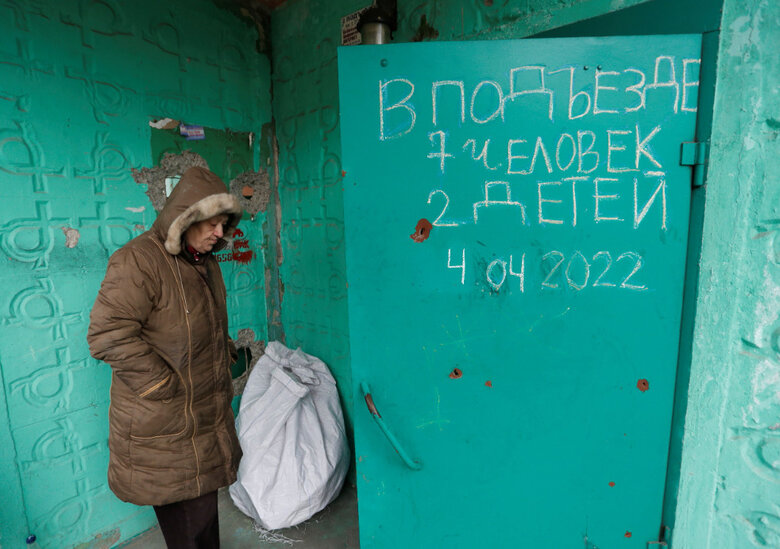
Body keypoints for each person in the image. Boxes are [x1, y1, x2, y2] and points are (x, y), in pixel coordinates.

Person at [87, 166, 244, 549]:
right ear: (184, 218)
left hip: (200, 416)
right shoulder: (138, 261)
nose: (219, 234)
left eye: (224, 224)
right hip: (164, 421)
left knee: (204, 516)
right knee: (188, 527)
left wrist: (223, 354)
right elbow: (107, 334)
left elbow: (200, 324)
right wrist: (163, 383)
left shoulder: (202, 263)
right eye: (211, 223)